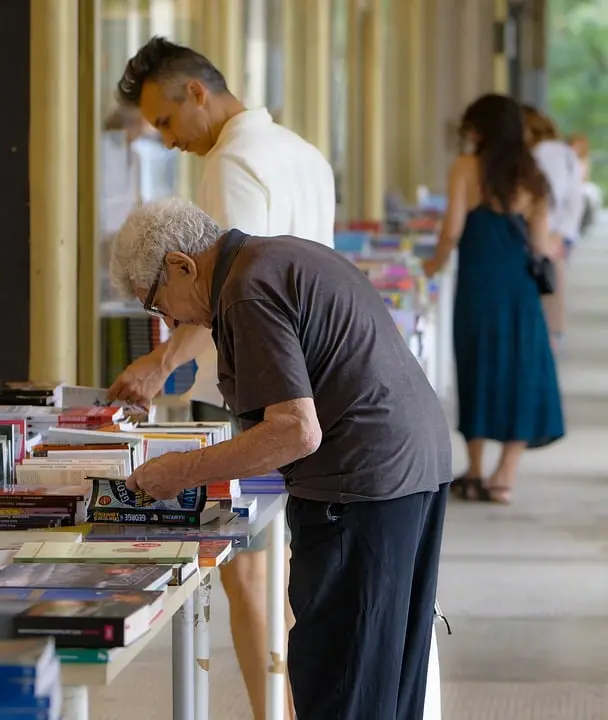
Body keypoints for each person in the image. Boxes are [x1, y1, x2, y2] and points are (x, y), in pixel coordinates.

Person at [110, 197, 452, 720]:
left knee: (343, 687)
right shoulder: (271, 259)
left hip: (363, 484)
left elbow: (294, 431)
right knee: (383, 679)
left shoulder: (246, 290)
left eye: (158, 304)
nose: (169, 319)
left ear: (182, 265)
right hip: (411, 467)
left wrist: (180, 471)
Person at [109, 37, 336, 719]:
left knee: (252, 577)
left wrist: (159, 360)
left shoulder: (231, 165)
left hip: (259, 391)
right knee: (288, 573)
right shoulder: (303, 152)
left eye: (168, 123)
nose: (171, 142)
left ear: (198, 93)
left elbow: (230, 292)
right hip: (312, 383)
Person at [424, 94, 565, 504]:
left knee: (478, 367)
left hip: (478, 286)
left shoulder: (467, 168)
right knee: (523, 372)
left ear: (482, 129)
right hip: (519, 290)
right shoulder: (532, 175)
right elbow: (539, 245)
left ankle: (474, 468)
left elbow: (452, 229)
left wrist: (433, 264)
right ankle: (505, 475)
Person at [522, 105, 585, 348]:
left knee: (549, 283)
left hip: (552, 229)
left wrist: (550, 233)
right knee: (554, 282)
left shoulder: (544, 153)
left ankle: (552, 335)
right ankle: (555, 333)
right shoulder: (564, 152)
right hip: (564, 228)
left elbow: (548, 193)